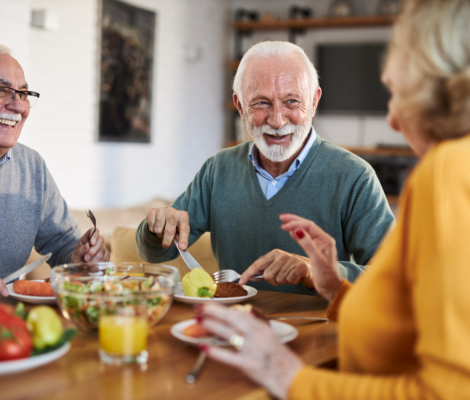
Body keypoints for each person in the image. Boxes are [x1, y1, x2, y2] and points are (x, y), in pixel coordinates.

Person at [196, 0, 470, 398]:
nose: (392, 119)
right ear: (241, 106)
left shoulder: (446, 170)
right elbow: (410, 324)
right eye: (262, 103)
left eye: (395, 91)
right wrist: (333, 286)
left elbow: (448, 391)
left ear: (438, 89)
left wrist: (284, 373)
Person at [136, 41, 394, 295]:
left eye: (292, 101)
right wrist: (156, 227)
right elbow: (158, 252)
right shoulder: (218, 170)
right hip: (232, 330)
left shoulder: (354, 176)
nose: (277, 120)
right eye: (261, 103)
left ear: (314, 102)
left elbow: (393, 276)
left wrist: (318, 271)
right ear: (240, 106)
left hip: (316, 332)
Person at [0, 43, 109, 308]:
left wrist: (81, 257)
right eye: (1, 90)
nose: (18, 106)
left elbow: (62, 244)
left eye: (23, 93)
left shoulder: (31, 166)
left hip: (6, 328)